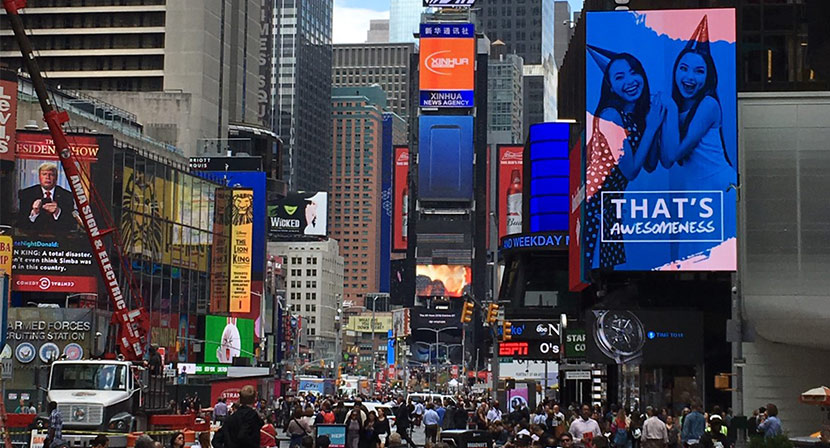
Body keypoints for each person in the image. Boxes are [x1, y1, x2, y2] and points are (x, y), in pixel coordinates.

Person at [658, 15, 737, 261]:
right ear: (675, 72)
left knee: (715, 257)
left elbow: (674, 153)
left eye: (699, 71)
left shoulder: (709, 105)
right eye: (683, 68)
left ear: (708, 76)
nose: (690, 77)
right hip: (696, 191)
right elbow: (666, 158)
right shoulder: (678, 107)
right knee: (692, 258)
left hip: (718, 187)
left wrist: (668, 110)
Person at [583, 46, 663, 270]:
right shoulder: (610, 115)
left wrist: (654, 124)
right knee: (596, 271)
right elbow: (630, 170)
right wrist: (652, 127)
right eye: (619, 77)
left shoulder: (633, 116)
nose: (630, 80)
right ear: (610, 86)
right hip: (596, 210)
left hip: (610, 207)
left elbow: (650, 164)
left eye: (633, 72)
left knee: (609, 270)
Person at [18, 162, 76, 231]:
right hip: (33, 238)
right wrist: (34, 212)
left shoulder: (66, 196)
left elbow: (71, 225)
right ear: (39, 177)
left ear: (56, 178)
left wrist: (57, 212)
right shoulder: (27, 194)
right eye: (44, 174)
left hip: (58, 238)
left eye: (51, 175)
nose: (47, 177)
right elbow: (21, 224)